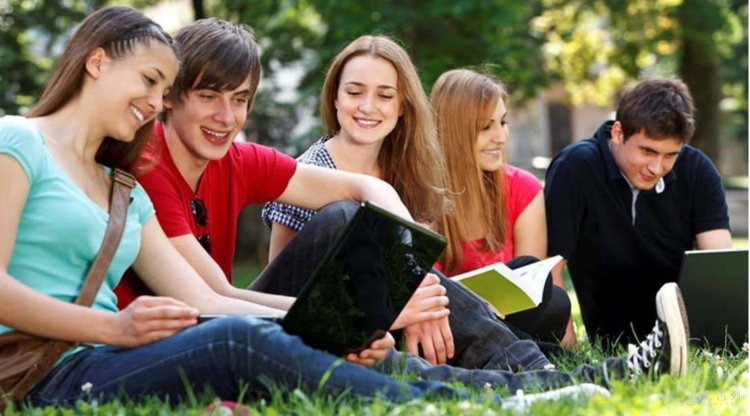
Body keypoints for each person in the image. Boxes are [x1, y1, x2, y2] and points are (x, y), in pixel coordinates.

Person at [0, 7, 502, 407]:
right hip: (43, 371)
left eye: (161, 88)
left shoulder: (120, 185)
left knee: (306, 322)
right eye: (150, 82)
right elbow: (210, 304)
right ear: (97, 62)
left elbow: (200, 295)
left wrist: (351, 320)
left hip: (113, 356)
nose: (154, 102)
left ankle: (496, 386)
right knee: (238, 339)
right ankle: (439, 401)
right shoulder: (19, 139)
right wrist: (113, 327)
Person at [256, 35, 687, 379]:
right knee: (365, 231)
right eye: (354, 92)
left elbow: (412, 272)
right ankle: (554, 372)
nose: (368, 107)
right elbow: (287, 285)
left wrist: (418, 302)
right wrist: (398, 308)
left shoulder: (404, 169)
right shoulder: (309, 171)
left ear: (403, 106)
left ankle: (546, 370)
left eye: (385, 95)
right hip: (334, 323)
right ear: (334, 97)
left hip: (402, 320)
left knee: (540, 299)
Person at [544, 77, 733, 347]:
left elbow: (721, 266)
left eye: (670, 155)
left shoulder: (697, 170)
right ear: (618, 133)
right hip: (612, 340)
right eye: (647, 151)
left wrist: (723, 341)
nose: (657, 168)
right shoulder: (575, 167)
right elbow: (550, 269)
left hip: (687, 336)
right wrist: (569, 354)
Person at [429, 69, 570, 344]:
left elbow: (532, 294)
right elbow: (425, 295)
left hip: (508, 321)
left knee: (554, 299)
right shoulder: (422, 194)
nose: (501, 137)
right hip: (446, 328)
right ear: (453, 132)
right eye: (486, 127)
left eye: (503, 122)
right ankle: (523, 353)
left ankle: (512, 351)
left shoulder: (523, 187)